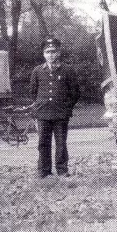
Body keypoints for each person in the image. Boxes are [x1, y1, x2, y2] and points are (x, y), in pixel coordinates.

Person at [29, 37, 81, 178]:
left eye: (53, 51)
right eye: (47, 52)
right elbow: (33, 92)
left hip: (60, 114)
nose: (50, 55)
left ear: (58, 52)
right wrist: (40, 105)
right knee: (43, 144)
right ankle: (44, 171)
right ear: (43, 54)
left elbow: (75, 92)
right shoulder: (37, 71)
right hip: (43, 114)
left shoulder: (67, 70)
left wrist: (66, 107)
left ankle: (62, 170)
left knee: (61, 144)